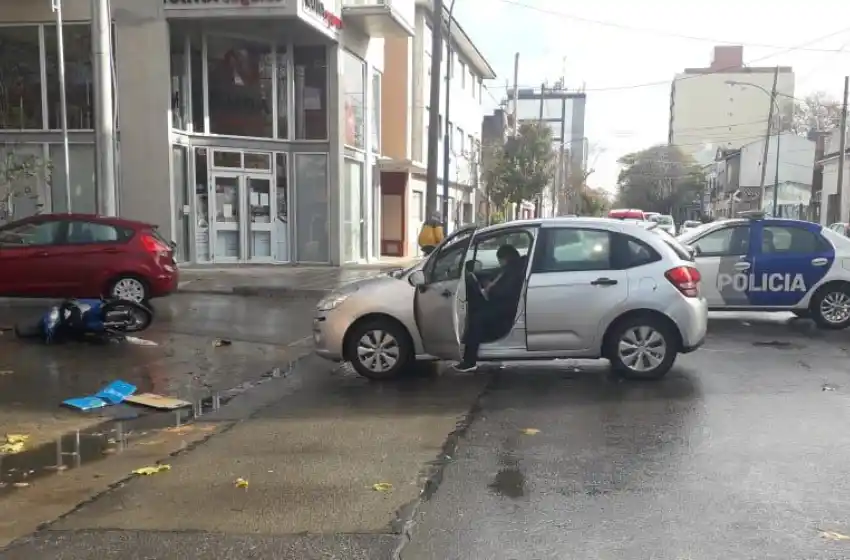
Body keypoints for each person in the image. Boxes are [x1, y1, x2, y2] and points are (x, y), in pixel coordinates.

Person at [454, 244, 526, 372]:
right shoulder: (510, 268)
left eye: (500, 259)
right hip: (502, 303)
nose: (500, 263)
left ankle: (469, 360)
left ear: (506, 258)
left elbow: (505, 292)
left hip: (506, 306)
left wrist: (490, 289)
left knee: (477, 319)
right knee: (477, 314)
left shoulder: (513, 270)